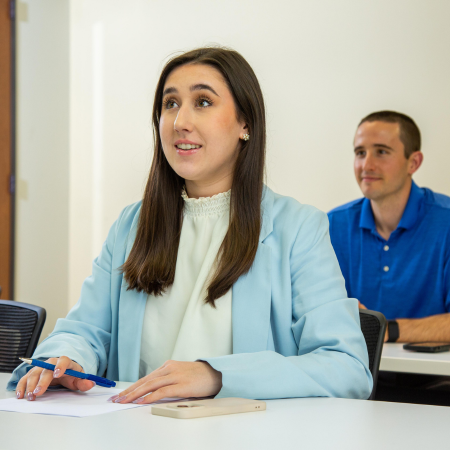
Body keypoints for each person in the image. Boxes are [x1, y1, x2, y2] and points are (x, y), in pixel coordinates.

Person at [9, 47, 372, 404]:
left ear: (245, 123)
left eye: (202, 102)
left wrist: (216, 375)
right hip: (133, 433)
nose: (180, 121)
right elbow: (85, 329)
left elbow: (346, 367)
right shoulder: (131, 225)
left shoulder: (298, 228)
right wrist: (65, 358)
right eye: (170, 104)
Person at [328, 111, 450, 344]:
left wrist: (384, 329)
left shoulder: (445, 222)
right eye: (360, 153)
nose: (367, 165)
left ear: (413, 162)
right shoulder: (333, 225)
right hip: (353, 372)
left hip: (433, 376)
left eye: (381, 152)